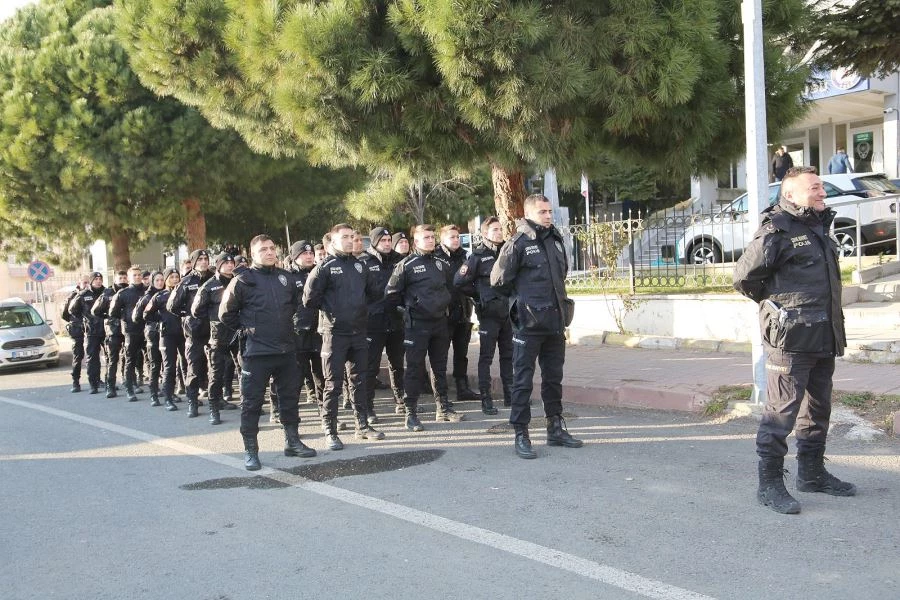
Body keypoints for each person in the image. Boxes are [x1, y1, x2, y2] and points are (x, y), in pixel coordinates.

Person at [733, 166, 857, 514]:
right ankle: (769, 484)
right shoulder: (778, 230)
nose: (822, 192)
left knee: (817, 409)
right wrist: (778, 307)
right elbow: (744, 278)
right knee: (781, 413)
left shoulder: (817, 227)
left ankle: (812, 474)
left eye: (821, 186)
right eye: (814, 187)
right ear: (790, 194)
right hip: (790, 338)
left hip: (823, 334)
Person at [490, 194, 582, 459]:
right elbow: (498, 280)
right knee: (522, 381)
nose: (548, 216)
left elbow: (561, 275)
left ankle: (555, 428)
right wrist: (521, 301)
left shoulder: (555, 239)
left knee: (553, 378)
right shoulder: (517, 243)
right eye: (543, 212)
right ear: (529, 214)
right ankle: (521, 433)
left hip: (554, 322)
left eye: (550, 211)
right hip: (528, 324)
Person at [220, 234, 317, 471]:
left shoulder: (285, 277)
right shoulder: (242, 280)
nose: (270, 252)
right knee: (252, 403)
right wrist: (246, 328)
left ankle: (292, 442)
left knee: (289, 399)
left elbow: (295, 305)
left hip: (286, 349)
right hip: (256, 353)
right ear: (253, 254)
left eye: (272, 248)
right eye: (263, 249)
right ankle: (251, 450)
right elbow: (225, 313)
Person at [303, 223, 385, 449]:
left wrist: (359, 310)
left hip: (358, 332)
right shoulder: (324, 267)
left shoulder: (360, 265)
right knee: (333, 384)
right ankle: (330, 430)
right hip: (334, 333)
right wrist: (333, 311)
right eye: (345, 237)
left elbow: (374, 293)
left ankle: (362, 426)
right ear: (333, 241)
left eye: (352, 236)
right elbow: (309, 299)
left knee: (359, 380)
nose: (350, 240)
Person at [385, 224, 461, 431]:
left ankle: (443, 407)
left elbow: (450, 288)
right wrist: (406, 312)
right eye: (425, 237)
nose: (430, 240)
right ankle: (410, 413)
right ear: (416, 242)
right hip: (417, 325)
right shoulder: (406, 265)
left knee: (439, 367)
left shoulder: (441, 264)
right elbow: (391, 295)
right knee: (414, 369)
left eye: (432, 237)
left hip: (439, 323)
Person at [455, 216, 513, 415]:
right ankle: (486, 399)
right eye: (495, 229)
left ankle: (510, 395)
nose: (499, 232)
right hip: (489, 314)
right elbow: (459, 282)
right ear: (485, 233)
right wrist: (479, 295)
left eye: (500, 229)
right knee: (486, 357)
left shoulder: (508, 251)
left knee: (508, 355)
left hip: (508, 312)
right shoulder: (477, 256)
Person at [362, 227, 406, 418]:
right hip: (373, 323)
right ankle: (368, 407)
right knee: (370, 366)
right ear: (374, 242)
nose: (387, 244)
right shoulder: (364, 262)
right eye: (383, 241)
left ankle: (401, 401)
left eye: (389, 240)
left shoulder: (399, 260)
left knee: (397, 364)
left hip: (396, 320)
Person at [191, 252, 239, 425]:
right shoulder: (209, 286)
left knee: (244, 369)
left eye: (231, 263)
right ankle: (214, 408)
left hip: (238, 332)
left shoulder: (238, 281)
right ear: (218, 266)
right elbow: (196, 310)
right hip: (219, 335)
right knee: (216, 373)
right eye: (225, 263)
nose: (229, 265)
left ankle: (248, 405)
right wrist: (213, 319)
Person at [435, 224, 479, 403]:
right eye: (452, 237)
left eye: (457, 237)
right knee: (440, 355)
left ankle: (463, 388)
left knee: (462, 354)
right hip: (444, 315)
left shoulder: (465, 256)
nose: (456, 240)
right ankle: (441, 393)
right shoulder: (436, 257)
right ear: (442, 239)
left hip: (463, 312)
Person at [167, 249, 213, 418]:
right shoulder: (186, 281)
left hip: (214, 329)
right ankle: (192, 402)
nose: (203, 262)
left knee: (217, 367)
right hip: (194, 331)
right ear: (193, 262)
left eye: (206, 259)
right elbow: (172, 306)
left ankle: (217, 399)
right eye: (200, 259)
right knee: (193, 367)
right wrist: (187, 316)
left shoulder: (214, 278)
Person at [288, 240, 326, 412]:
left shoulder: (320, 273)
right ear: (295, 257)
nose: (309, 256)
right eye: (304, 254)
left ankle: (325, 412)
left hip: (318, 331)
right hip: (297, 333)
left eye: (311, 253)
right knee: (295, 376)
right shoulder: (287, 277)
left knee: (322, 375)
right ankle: (289, 414)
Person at [145, 268, 184, 411]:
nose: (174, 279)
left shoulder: (183, 293)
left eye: (176, 277)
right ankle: (167, 398)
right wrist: (162, 319)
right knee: (169, 367)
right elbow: (146, 314)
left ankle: (191, 396)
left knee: (187, 365)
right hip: (167, 335)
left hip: (183, 334)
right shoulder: (160, 296)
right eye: (171, 277)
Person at [109, 266, 146, 402]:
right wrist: (126, 318)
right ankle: (129, 389)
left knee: (153, 360)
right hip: (131, 330)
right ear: (129, 278)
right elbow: (113, 312)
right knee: (130, 360)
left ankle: (156, 389)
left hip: (147, 329)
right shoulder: (123, 293)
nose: (137, 277)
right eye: (134, 275)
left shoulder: (147, 291)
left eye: (139, 275)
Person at [67, 272, 106, 394]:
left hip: (106, 329)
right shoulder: (82, 295)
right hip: (91, 331)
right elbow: (71, 310)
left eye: (100, 279)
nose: (98, 281)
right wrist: (85, 320)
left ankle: (107, 382)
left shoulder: (107, 292)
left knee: (110, 357)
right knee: (90, 358)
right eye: (96, 279)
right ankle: (91, 384)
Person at [92, 271, 128, 398]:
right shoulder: (108, 293)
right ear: (115, 279)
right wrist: (108, 317)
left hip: (127, 329)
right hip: (113, 331)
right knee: (112, 360)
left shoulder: (129, 291)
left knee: (129, 358)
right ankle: (110, 386)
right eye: (120, 278)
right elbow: (95, 310)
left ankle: (129, 382)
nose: (123, 280)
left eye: (125, 277)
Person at [133, 271, 165, 406]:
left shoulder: (168, 294)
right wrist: (151, 322)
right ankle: (154, 394)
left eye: (162, 280)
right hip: (153, 334)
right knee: (155, 364)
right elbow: (137, 317)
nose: (160, 283)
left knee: (168, 365)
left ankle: (169, 392)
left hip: (167, 333)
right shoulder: (147, 297)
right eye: (157, 280)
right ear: (152, 282)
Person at [61, 274, 90, 393]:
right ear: (79, 283)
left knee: (93, 355)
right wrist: (75, 321)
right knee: (78, 355)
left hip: (91, 328)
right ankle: (75, 382)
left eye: (88, 282)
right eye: (85, 282)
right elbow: (65, 314)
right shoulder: (73, 296)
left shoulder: (92, 294)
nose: (87, 285)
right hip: (77, 328)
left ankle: (96, 380)